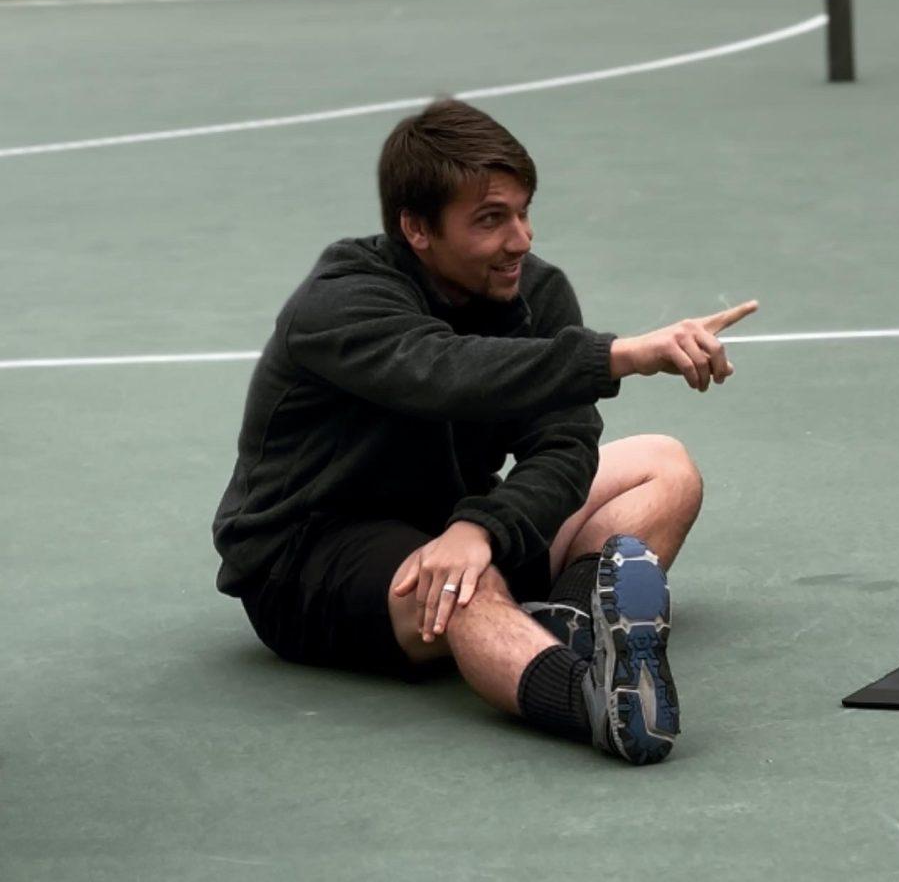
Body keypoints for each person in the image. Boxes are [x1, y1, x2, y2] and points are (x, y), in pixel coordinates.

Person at [212, 98, 757, 766]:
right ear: (417, 227)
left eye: (524, 210)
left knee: (664, 466)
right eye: (491, 220)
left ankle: (575, 623)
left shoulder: (535, 290)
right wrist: (621, 354)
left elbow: (565, 446)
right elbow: (446, 372)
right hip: (309, 552)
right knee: (464, 589)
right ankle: (590, 696)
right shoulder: (341, 299)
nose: (521, 239)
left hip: (450, 517)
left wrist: (483, 527)